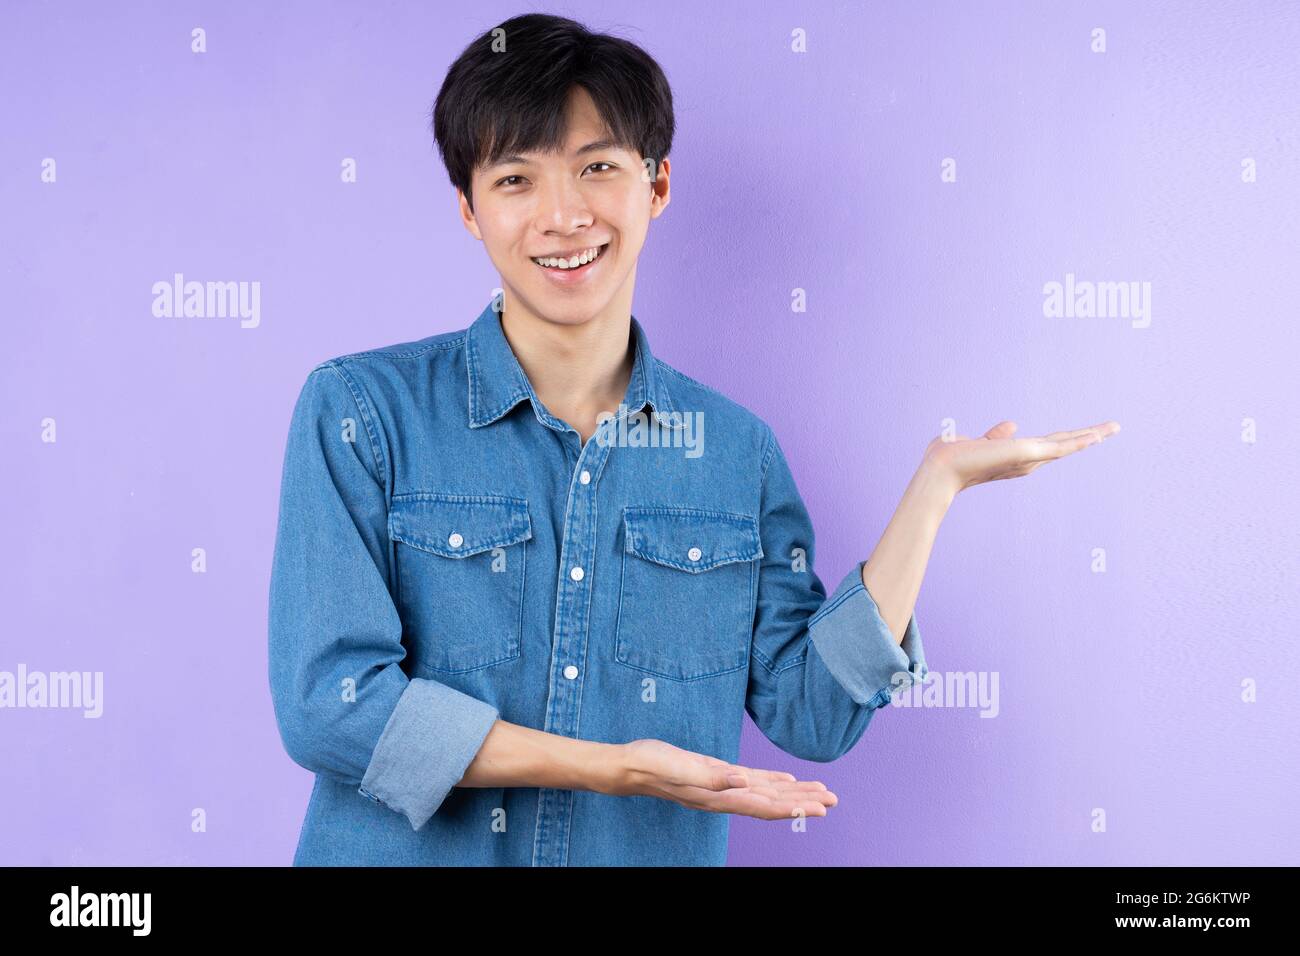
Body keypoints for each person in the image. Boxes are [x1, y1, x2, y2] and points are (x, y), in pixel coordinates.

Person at [267, 12, 1119, 866]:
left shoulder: (734, 454)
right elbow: (330, 704)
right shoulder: (360, 412)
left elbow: (812, 714)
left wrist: (934, 491)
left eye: (597, 167)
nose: (563, 216)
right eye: (516, 179)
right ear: (469, 209)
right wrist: (607, 769)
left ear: (658, 185)